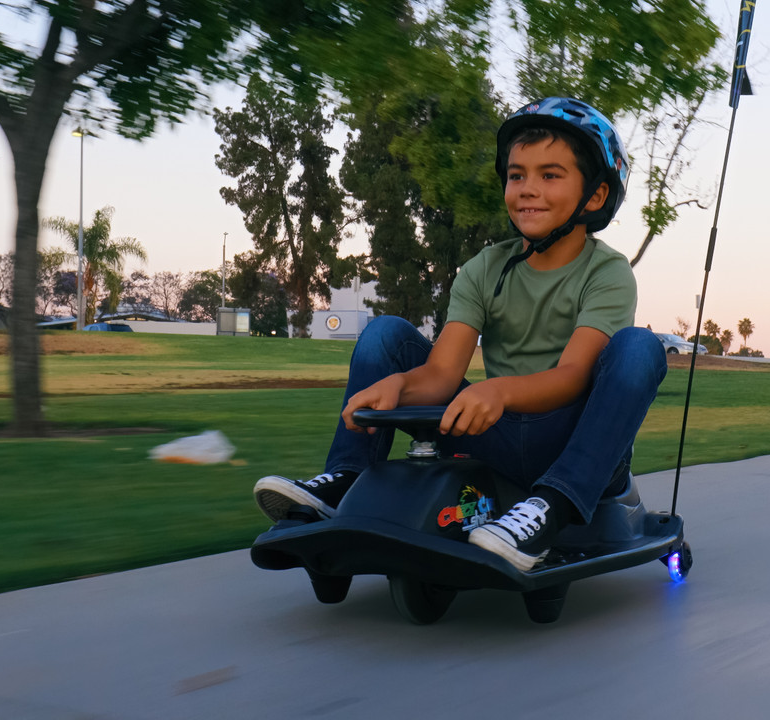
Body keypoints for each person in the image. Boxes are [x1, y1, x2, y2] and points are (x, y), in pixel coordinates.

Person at [254, 97, 667, 572]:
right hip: (491, 433)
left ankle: (555, 504)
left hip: (573, 437)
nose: (528, 190)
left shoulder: (608, 272)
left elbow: (574, 376)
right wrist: (401, 386)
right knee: (385, 335)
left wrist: (498, 391)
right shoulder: (483, 268)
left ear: (595, 196)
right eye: (516, 176)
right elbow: (442, 373)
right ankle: (345, 478)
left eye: (550, 176)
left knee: (640, 348)